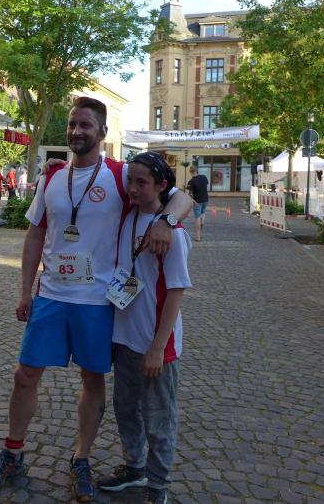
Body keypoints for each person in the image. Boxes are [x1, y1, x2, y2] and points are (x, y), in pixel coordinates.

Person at [0, 96, 192, 502]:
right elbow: (35, 234)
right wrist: (24, 290)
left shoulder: (122, 175)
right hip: (51, 295)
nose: (77, 131)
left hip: (98, 301)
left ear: (103, 132)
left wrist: (166, 221)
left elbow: (183, 197)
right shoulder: (52, 177)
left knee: (92, 380)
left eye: (86, 125)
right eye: (73, 124)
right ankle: (13, 452)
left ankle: (81, 459)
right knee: (24, 375)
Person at [97, 152, 192, 504]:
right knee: (125, 409)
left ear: (162, 185)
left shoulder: (173, 234)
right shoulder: (129, 217)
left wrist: (157, 347)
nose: (133, 188)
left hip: (155, 344)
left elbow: (176, 292)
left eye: (142, 182)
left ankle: (158, 485)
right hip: (124, 337)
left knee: (159, 418)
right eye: (130, 180)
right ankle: (134, 466)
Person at [185, 165, 208, 242]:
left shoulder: (191, 182)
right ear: (197, 170)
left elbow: (186, 194)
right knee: (203, 213)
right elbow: (205, 186)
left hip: (197, 202)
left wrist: (192, 200)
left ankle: (198, 237)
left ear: (190, 172)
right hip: (205, 200)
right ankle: (202, 224)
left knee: (197, 217)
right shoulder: (204, 177)